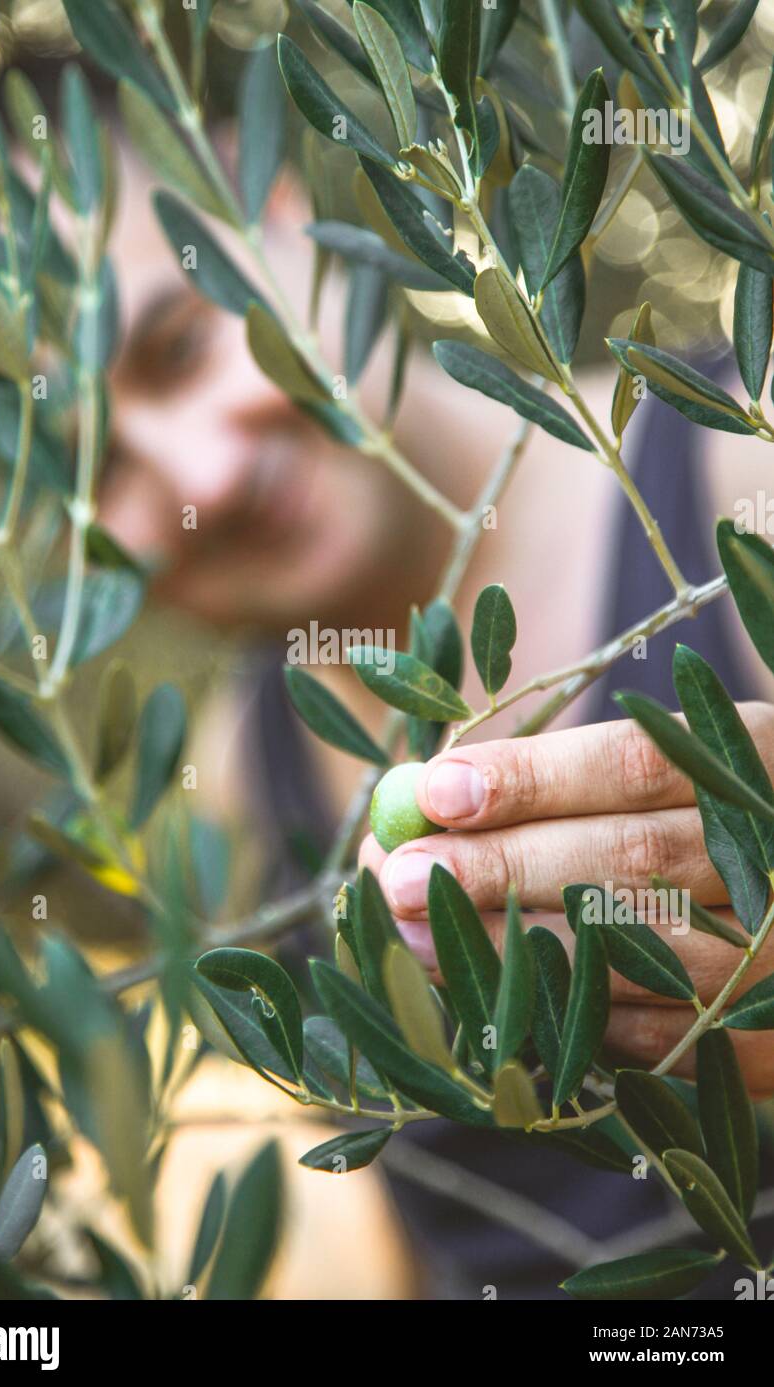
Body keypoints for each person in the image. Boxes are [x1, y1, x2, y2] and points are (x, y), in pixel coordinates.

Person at [93, 142, 774, 1298]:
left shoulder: (743, 464)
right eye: (92, 470)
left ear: (275, 211)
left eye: (179, 347)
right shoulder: (234, 784)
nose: (207, 469)